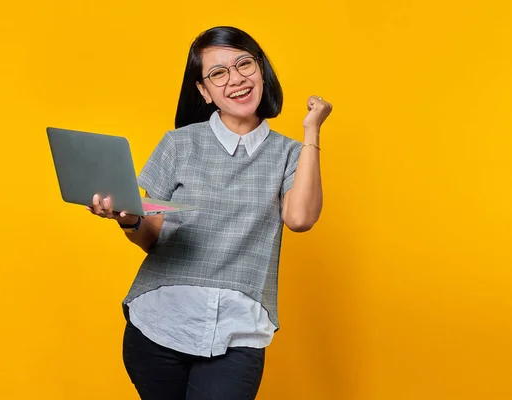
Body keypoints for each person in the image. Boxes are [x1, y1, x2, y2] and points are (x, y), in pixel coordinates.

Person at [86, 26, 332, 400]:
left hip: (238, 329)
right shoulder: (179, 144)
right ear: (203, 90)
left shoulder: (289, 154)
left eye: (244, 64)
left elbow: (300, 220)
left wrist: (311, 132)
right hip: (159, 323)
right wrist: (128, 219)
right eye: (218, 73)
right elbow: (151, 236)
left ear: (260, 69)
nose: (236, 79)